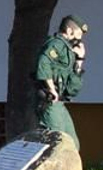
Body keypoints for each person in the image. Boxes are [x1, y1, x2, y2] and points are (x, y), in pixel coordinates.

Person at [35, 15, 88, 148]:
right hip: (50, 101)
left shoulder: (67, 50)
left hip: (59, 103)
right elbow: (43, 62)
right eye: (78, 34)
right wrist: (51, 88)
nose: (80, 39)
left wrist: (79, 60)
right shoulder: (56, 44)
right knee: (57, 143)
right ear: (69, 30)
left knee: (72, 144)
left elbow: (72, 89)